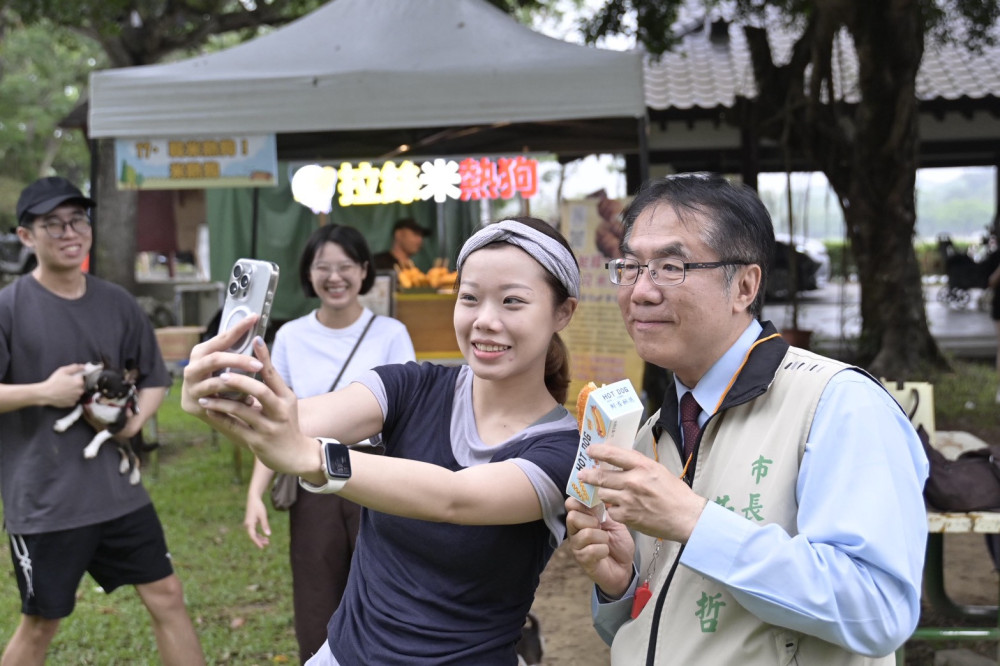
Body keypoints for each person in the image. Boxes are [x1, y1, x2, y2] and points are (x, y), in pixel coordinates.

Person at [564, 173, 929, 665]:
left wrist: (694, 521)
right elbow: (666, 629)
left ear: (745, 285)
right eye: (630, 267)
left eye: (670, 267)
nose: (641, 291)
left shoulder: (837, 403)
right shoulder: (653, 431)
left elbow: (878, 611)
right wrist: (621, 585)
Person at [182, 216, 580, 665]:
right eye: (469, 298)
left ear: (562, 312)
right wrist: (224, 397)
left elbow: (454, 499)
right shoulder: (411, 387)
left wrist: (313, 457)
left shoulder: (562, 451)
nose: (485, 321)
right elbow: (301, 418)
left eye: (512, 302)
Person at [0, 176, 206, 666]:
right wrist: (43, 392)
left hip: (116, 491)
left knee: (168, 595)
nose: (70, 232)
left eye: (78, 220)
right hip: (45, 498)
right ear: (27, 236)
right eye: (53, 224)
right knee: (42, 623)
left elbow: (155, 376)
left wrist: (136, 423)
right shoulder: (9, 307)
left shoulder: (116, 302)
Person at [243, 223, 416, 662]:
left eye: (345, 267)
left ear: (363, 271)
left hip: (378, 478)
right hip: (312, 476)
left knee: (383, 589)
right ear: (309, 273)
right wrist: (255, 493)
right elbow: (275, 422)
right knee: (316, 593)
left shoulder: (391, 333)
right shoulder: (291, 336)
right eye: (323, 267)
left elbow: (409, 421)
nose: (334, 277)